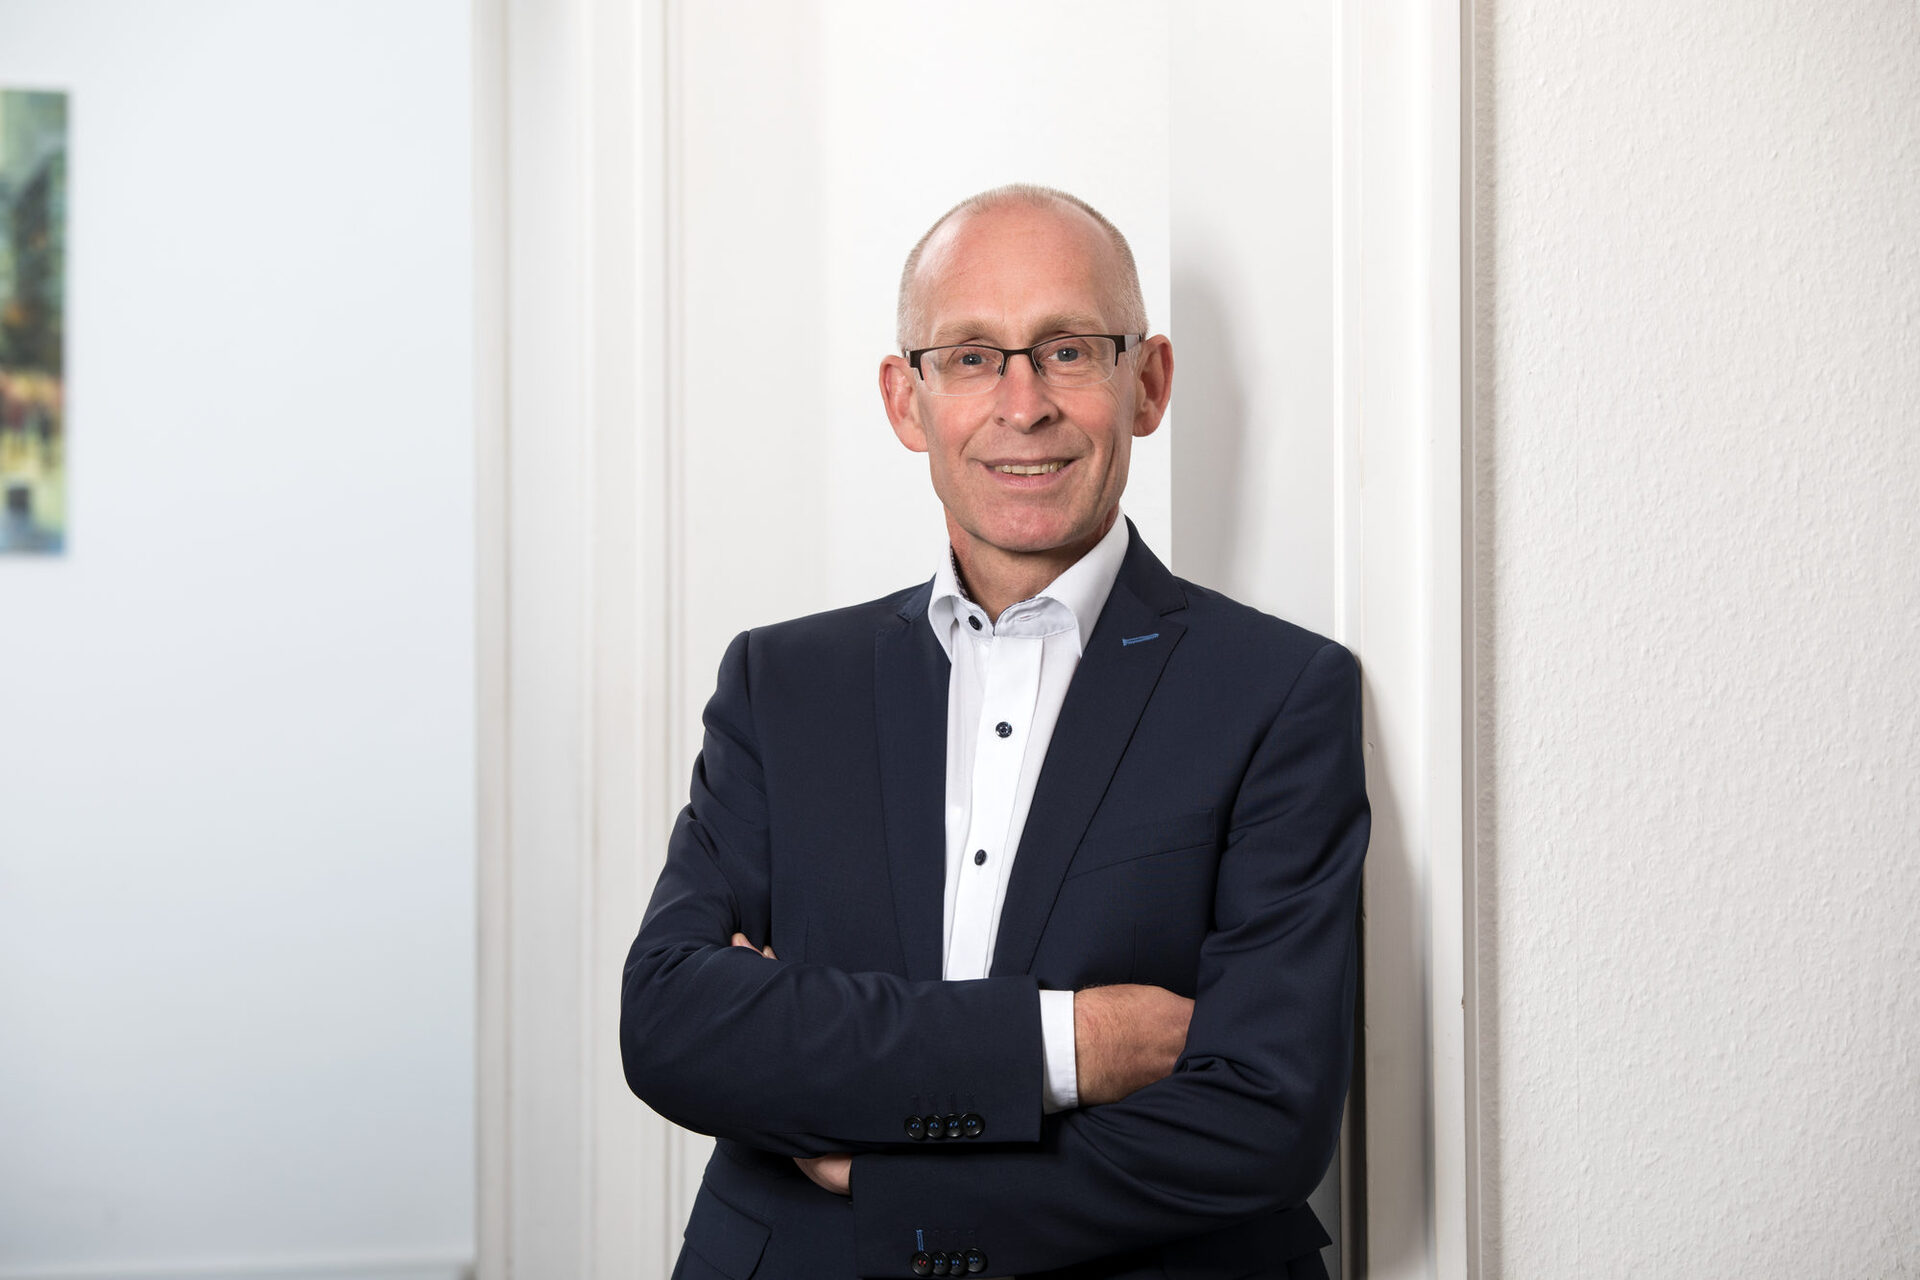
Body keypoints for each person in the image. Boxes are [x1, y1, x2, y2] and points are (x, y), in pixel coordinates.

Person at [622, 185, 1368, 1280]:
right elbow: (675, 1023)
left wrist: (887, 1174)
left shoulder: (1280, 691)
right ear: (905, 399)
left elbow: (1265, 1115)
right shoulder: (783, 684)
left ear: (1147, 382)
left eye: (1068, 350)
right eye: (971, 357)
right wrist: (1070, 1043)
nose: (1024, 405)